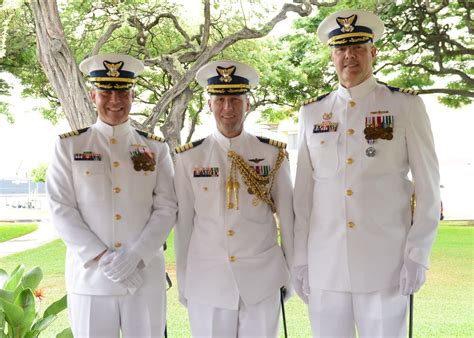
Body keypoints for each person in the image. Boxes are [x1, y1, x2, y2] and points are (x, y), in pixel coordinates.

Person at [292, 9, 440, 338]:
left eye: (358, 47)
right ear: (332, 55)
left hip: (384, 267)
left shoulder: (404, 107)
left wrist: (418, 253)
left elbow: (428, 188)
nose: (349, 56)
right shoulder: (311, 113)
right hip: (326, 268)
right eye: (341, 49)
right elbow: (302, 198)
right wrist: (300, 260)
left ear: (373, 51)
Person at [46, 53, 177, 337]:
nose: (114, 100)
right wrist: (103, 256)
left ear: (132, 96)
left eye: (122, 92)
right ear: (93, 95)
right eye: (106, 91)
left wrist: (136, 255)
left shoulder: (156, 149)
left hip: (144, 278)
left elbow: (167, 207)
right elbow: (60, 207)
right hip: (91, 279)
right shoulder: (69, 147)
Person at [174, 59, 294, 337]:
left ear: (248, 104)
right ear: (209, 105)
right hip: (208, 282)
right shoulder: (188, 157)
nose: (228, 108)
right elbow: (184, 226)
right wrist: (184, 280)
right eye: (220, 99)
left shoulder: (271, 154)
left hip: (262, 279)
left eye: (236, 100)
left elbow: (287, 218)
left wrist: (289, 272)